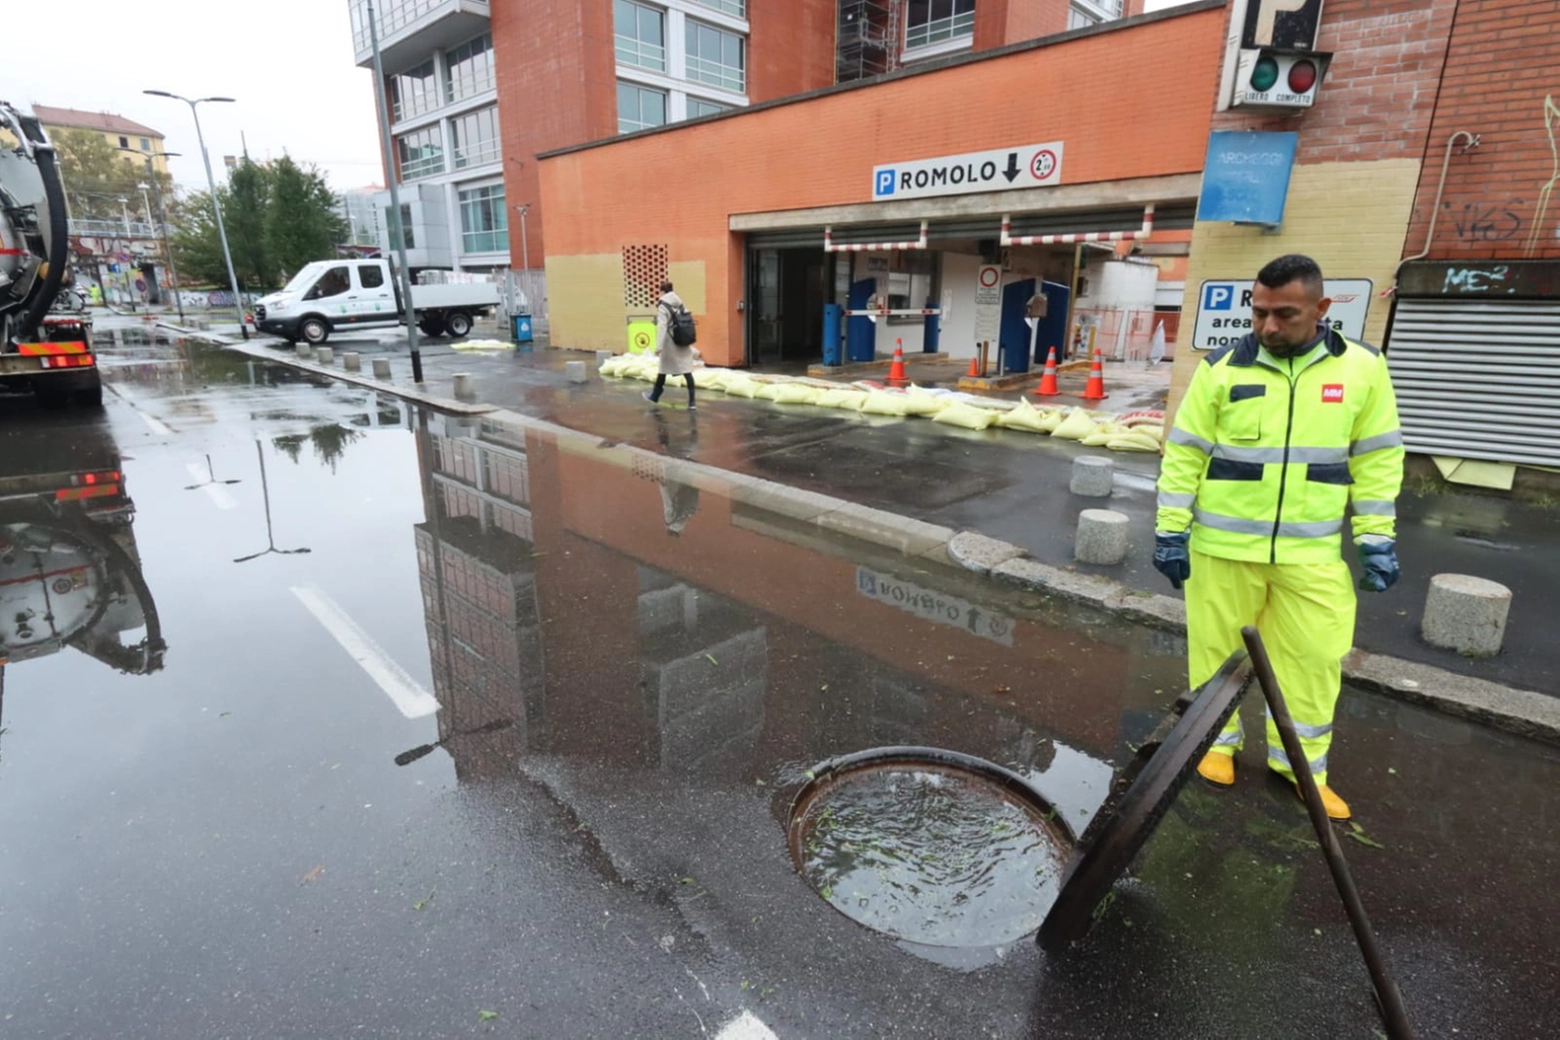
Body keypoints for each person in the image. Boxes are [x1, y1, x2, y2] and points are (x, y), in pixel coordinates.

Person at [1153, 254, 1404, 821]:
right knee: (1216, 658)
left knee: (1314, 661)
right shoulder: (1221, 369)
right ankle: (1213, 746)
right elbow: (1184, 455)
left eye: (1284, 314)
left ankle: (1302, 768)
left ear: (1320, 308)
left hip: (1310, 555)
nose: (1267, 327)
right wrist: (1171, 530)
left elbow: (1378, 458)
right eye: (1259, 313)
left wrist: (1375, 537)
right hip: (1221, 549)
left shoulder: (1363, 369)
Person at [643, 281, 696, 410]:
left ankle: (655, 395)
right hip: (683, 340)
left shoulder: (663, 305)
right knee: (687, 371)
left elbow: (662, 326)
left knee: (663, 369)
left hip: (670, 343)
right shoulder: (680, 303)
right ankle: (692, 402)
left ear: (662, 291)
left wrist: (658, 346)